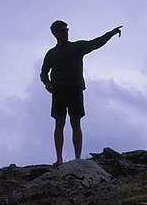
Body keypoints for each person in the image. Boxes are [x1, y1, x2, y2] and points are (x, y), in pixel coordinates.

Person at [40, 21, 122, 165]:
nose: (65, 32)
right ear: (54, 33)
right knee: (59, 123)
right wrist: (47, 83)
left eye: (66, 30)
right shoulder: (51, 53)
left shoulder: (77, 47)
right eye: (61, 30)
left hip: (74, 88)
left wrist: (111, 33)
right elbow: (43, 72)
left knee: (75, 122)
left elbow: (95, 43)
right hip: (58, 90)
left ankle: (77, 159)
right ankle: (59, 159)